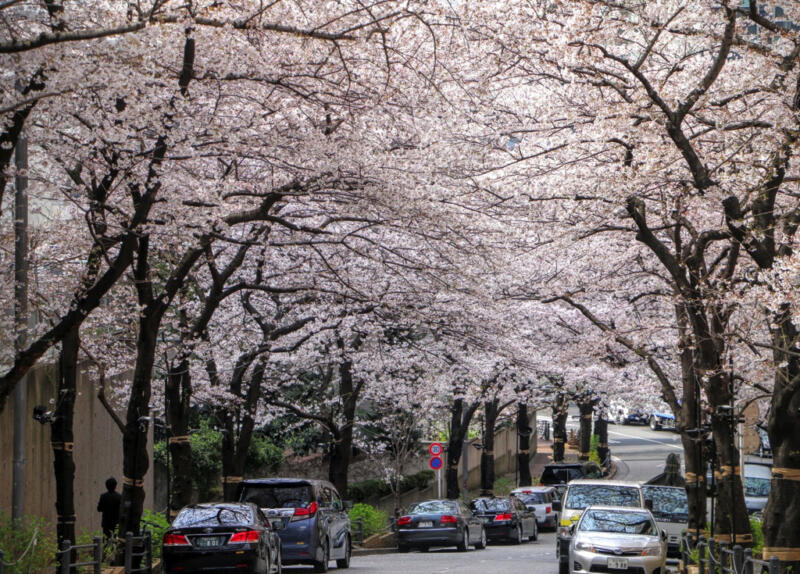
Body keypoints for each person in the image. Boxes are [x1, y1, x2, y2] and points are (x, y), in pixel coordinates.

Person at [97, 477, 122, 541]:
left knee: (106, 539)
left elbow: (99, 509)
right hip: (116, 522)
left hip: (106, 522)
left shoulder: (103, 496)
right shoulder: (119, 496)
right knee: (115, 539)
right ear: (115, 485)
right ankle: (114, 550)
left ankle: (106, 550)